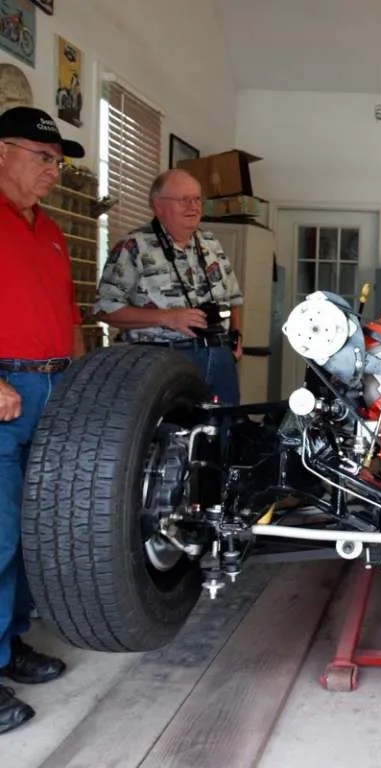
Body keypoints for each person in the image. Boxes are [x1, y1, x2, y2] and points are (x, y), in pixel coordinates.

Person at [0, 106, 86, 734]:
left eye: (57, 161)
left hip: (56, 388)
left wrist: (82, 382)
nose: (54, 170)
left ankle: (10, 645)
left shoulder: (50, 231)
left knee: (36, 532)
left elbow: (70, 315)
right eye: (42, 157)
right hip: (6, 390)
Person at [94, 169, 244, 404]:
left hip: (218, 355)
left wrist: (235, 336)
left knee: (224, 432)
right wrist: (167, 318)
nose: (193, 207)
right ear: (157, 205)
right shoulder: (133, 246)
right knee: (170, 436)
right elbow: (104, 309)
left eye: (197, 200)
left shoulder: (211, 243)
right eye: (184, 200)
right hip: (159, 357)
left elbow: (234, 299)